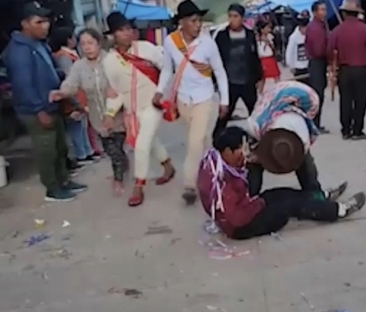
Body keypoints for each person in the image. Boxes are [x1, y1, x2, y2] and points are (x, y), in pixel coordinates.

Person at [197, 126, 366, 240]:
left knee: (282, 193)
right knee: (288, 205)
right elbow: (237, 218)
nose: (244, 152)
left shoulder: (215, 159)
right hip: (241, 227)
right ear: (227, 151)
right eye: (241, 149)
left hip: (244, 207)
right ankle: (339, 211)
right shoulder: (220, 181)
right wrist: (259, 203)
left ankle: (320, 198)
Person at [3, 1, 87, 202]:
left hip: (51, 104)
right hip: (37, 109)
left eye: (46, 21)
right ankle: (52, 188)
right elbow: (23, 85)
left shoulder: (37, 43)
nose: (45, 25)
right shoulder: (19, 50)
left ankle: (64, 181)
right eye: (38, 22)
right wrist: (39, 111)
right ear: (25, 24)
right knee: (46, 150)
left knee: (59, 147)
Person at [154, 0, 229, 205]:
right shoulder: (170, 42)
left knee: (194, 142)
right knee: (201, 143)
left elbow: (220, 73)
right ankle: (216, 173)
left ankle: (189, 185)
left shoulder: (207, 43)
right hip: (182, 100)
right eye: (194, 21)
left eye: (199, 21)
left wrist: (224, 101)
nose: (198, 25)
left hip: (204, 99)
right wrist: (160, 91)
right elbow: (168, 70)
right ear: (183, 22)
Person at [101, 12, 176, 207]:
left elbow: (167, 70)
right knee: (150, 142)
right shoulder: (109, 61)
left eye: (128, 29)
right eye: (121, 30)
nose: (126, 33)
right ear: (112, 35)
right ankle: (168, 166)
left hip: (154, 104)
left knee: (142, 145)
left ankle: (138, 186)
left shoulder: (146, 49)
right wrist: (110, 114)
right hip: (132, 110)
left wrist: (164, 93)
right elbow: (115, 92)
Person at [49, 28, 128, 196]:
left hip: (118, 114)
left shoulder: (112, 59)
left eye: (90, 43)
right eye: (83, 44)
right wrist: (61, 92)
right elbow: (71, 83)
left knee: (116, 150)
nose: (87, 47)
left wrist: (117, 90)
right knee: (111, 150)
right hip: (97, 117)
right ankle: (122, 167)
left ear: (99, 43)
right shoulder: (79, 66)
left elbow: (127, 80)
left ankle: (118, 178)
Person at [244, 81, 348, 201]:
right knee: (253, 163)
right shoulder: (256, 125)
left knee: (305, 162)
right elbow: (248, 151)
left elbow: (302, 151)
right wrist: (255, 156)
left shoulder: (303, 134)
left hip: (303, 97)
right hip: (272, 100)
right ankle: (250, 198)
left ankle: (315, 194)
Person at [328, 0, 366, 141]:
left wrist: (334, 65)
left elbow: (330, 50)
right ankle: (357, 130)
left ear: (343, 13)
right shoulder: (365, 29)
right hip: (361, 70)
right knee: (360, 101)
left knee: (345, 100)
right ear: (358, 14)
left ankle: (345, 130)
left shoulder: (338, 30)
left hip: (344, 70)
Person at [49, 27, 98, 166]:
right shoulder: (63, 57)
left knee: (82, 126)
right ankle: (82, 154)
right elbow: (69, 78)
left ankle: (88, 152)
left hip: (79, 95)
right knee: (76, 127)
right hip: (72, 98)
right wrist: (75, 101)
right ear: (68, 39)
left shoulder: (69, 54)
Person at [212, 4, 262, 138]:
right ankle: (217, 141)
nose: (232, 19)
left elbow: (254, 57)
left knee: (257, 114)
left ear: (242, 18)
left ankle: (261, 138)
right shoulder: (221, 37)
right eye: (230, 16)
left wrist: (259, 78)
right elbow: (216, 61)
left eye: (235, 16)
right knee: (224, 115)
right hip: (229, 83)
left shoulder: (250, 34)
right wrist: (215, 82)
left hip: (247, 81)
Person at [305, 1, 329, 134]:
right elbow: (318, 50)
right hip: (317, 62)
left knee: (319, 93)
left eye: (325, 10)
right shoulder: (315, 28)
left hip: (319, 62)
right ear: (314, 12)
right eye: (321, 10)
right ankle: (314, 124)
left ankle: (316, 123)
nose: (324, 13)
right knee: (317, 95)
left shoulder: (320, 26)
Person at [256, 20, 280, 92]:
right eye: (267, 28)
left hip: (270, 58)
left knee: (276, 75)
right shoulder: (257, 39)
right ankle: (260, 93)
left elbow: (273, 47)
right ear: (262, 29)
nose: (269, 29)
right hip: (262, 59)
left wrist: (268, 42)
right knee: (262, 78)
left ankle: (278, 89)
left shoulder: (270, 36)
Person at [285, 15, 309, 84]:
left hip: (308, 65)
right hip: (298, 66)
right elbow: (289, 52)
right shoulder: (293, 37)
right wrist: (290, 65)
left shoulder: (309, 35)